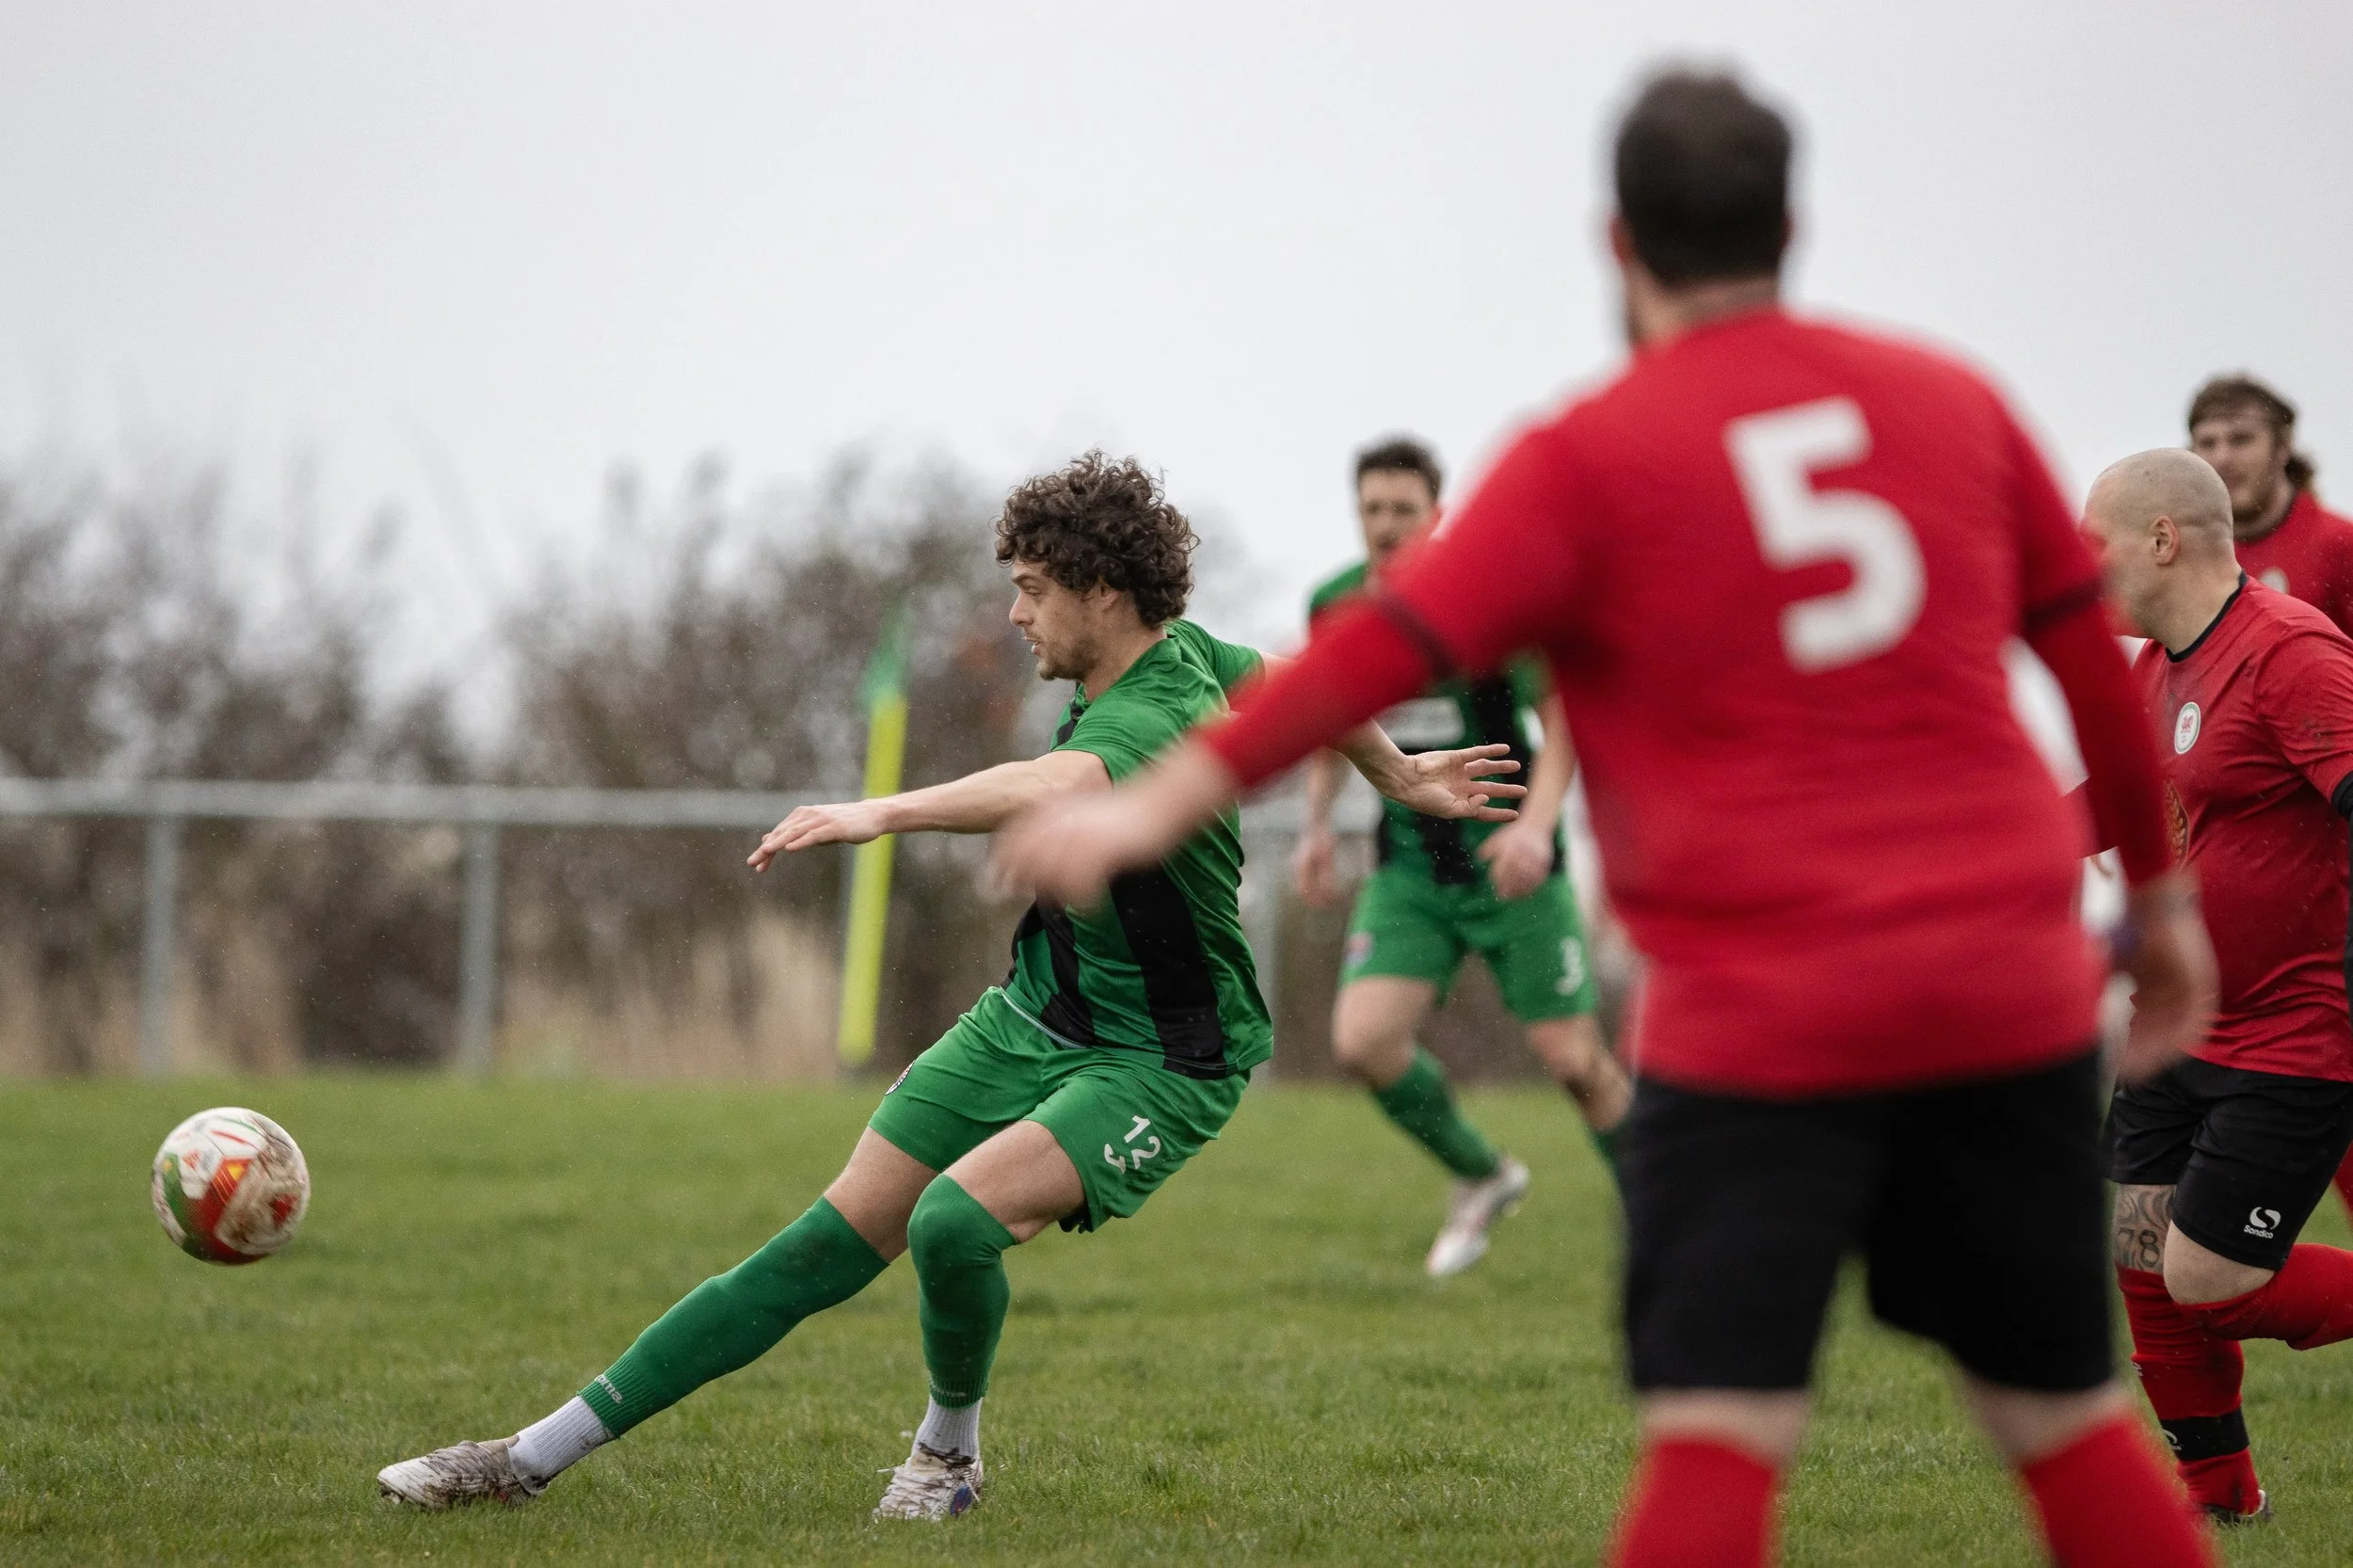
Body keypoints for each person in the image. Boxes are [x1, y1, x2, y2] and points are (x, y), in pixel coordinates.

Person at [994, 70, 2222, 1568]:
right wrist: (2159, 909)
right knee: (2064, 1419)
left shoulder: (1588, 456)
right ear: (1792, 223)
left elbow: (1366, 655)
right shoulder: (1949, 398)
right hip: (2003, 985)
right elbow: (2095, 668)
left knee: (1718, 1439)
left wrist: (1158, 803)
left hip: (1760, 1012)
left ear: (1615, 243)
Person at [374, 451, 1523, 1521]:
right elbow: (1309, 681)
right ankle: (526, 1458)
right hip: (1033, 1013)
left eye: (1031, 589)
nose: (1015, 614)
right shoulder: (1199, 660)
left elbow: (1048, 777)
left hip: (1164, 1057)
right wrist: (1400, 773)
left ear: (1101, 591)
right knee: (817, 1248)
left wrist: (879, 811)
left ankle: (949, 1452)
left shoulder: (1152, 713)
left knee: (953, 1223)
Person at [2081, 448, 2353, 1525]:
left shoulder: (2289, 651)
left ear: (2161, 539)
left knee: (2209, 1278)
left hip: (2291, 1034)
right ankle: (2221, 1501)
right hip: (2183, 1026)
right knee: (2143, 1257)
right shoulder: (2156, 668)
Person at [1294, 434, 1629, 1276]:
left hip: (1515, 868)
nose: (1385, 526)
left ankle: (1672, 1218)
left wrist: (1532, 825)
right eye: (1372, 509)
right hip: (1410, 871)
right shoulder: (1336, 605)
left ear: (1437, 517)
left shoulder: (1491, 603)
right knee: (1363, 1043)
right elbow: (1327, 719)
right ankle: (1482, 1174)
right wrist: (1315, 828)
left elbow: (1564, 725)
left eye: (1403, 510)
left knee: (1575, 1065)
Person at [2187, 375, 2353, 633]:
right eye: (2208, 443)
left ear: (2283, 447)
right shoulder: (2186, 556)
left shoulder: (2340, 545)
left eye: (2241, 439)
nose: (2222, 458)